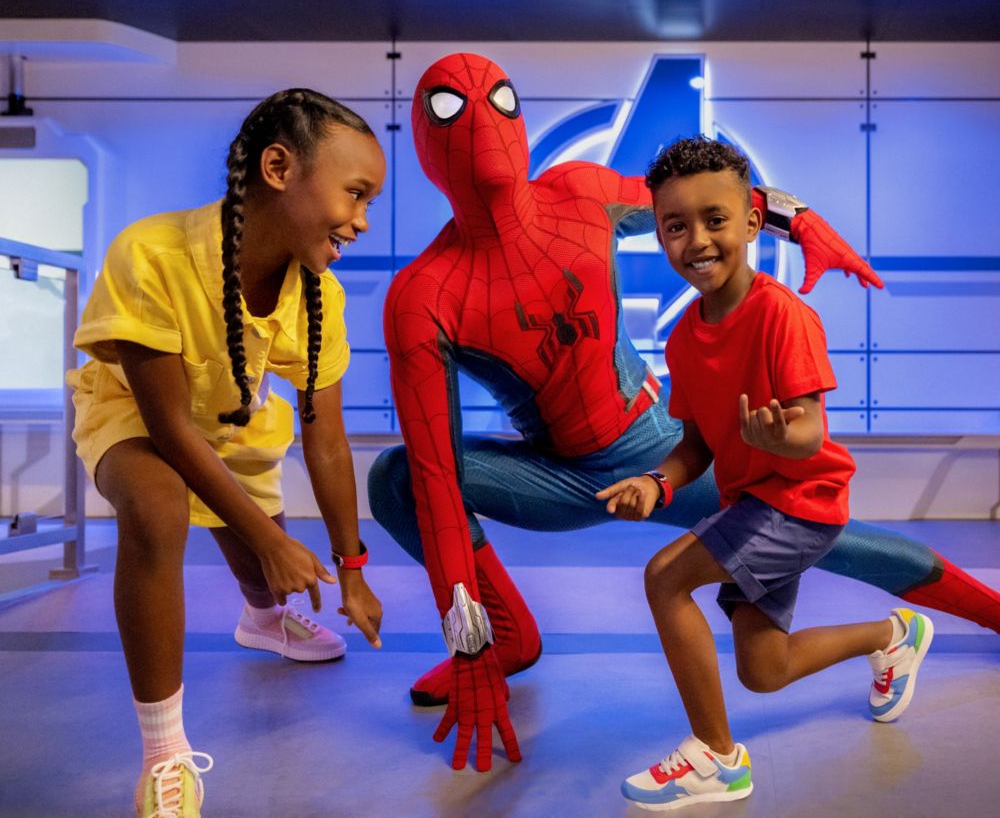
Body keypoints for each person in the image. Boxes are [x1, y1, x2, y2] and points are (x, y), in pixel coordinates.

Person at [368, 52, 999, 773]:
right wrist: (472, 642)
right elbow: (438, 476)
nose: (483, 125)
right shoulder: (423, 295)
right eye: (451, 109)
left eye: (500, 101)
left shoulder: (579, 196)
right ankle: (513, 637)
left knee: (837, 540)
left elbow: (701, 195)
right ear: (423, 137)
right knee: (397, 478)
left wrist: (802, 220)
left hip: (657, 448)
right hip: (554, 476)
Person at [68, 89, 386, 818]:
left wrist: (352, 570)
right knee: (159, 508)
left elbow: (327, 439)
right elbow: (170, 428)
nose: (362, 219)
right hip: (138, 419)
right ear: (280, 167)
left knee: (262, 570)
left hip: (232, 425)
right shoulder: (151, 252)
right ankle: (165, 756)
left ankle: (263, 620)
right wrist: (273, 536)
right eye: (355, 193)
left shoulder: (320, 296)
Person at [598, 138, 933, 810]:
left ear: (752, 220)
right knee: (764, 670)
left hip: (801, 502)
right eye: (675, 226)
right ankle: (895, 636)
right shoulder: (683, 338)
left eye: (715, 219)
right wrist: (657, 482)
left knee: (665, 579)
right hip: (754, 501)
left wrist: (781, 436)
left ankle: (718, 760)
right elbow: (694, 447)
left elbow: (810, 430)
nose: (697, 240)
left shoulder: (784, 315)